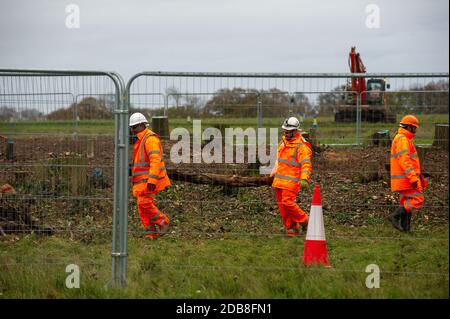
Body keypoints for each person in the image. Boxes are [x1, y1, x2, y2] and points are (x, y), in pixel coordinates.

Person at [129, 112, 171, 239]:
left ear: (142, 125)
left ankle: (163, 222)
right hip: (143, 181)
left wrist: (152, 180)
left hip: (150, 181)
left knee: (144, 203)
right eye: (132, 128)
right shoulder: (141, 139)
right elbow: (142, 162)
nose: (133, 130)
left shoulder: (150, 139)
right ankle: (151, 233)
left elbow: (155, 161)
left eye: (135, 127)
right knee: (141, 206)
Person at [271, 117, 312, 236]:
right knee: (282, 206)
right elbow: (279, 159)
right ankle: (292, 229)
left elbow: (306, 164)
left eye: (289, 131)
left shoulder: (302, 146)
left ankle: (305, 221)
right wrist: (274, 170)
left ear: (296, 131)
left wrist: (304, 178)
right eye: (286, 131)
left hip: (292, 180)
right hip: (279, 179)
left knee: (287, 202)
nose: (287, 133)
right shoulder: (283, 142)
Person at [388, 115, 427, 232]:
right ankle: (395, 216)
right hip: (407, 179)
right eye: (414, 128)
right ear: (409, 127)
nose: (415, 131)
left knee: (406, 201)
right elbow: (405, 161)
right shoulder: (402, 139)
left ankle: (406, 229)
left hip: (404, 178)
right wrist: (413, 178)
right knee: (418, 199)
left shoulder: (403, 138)